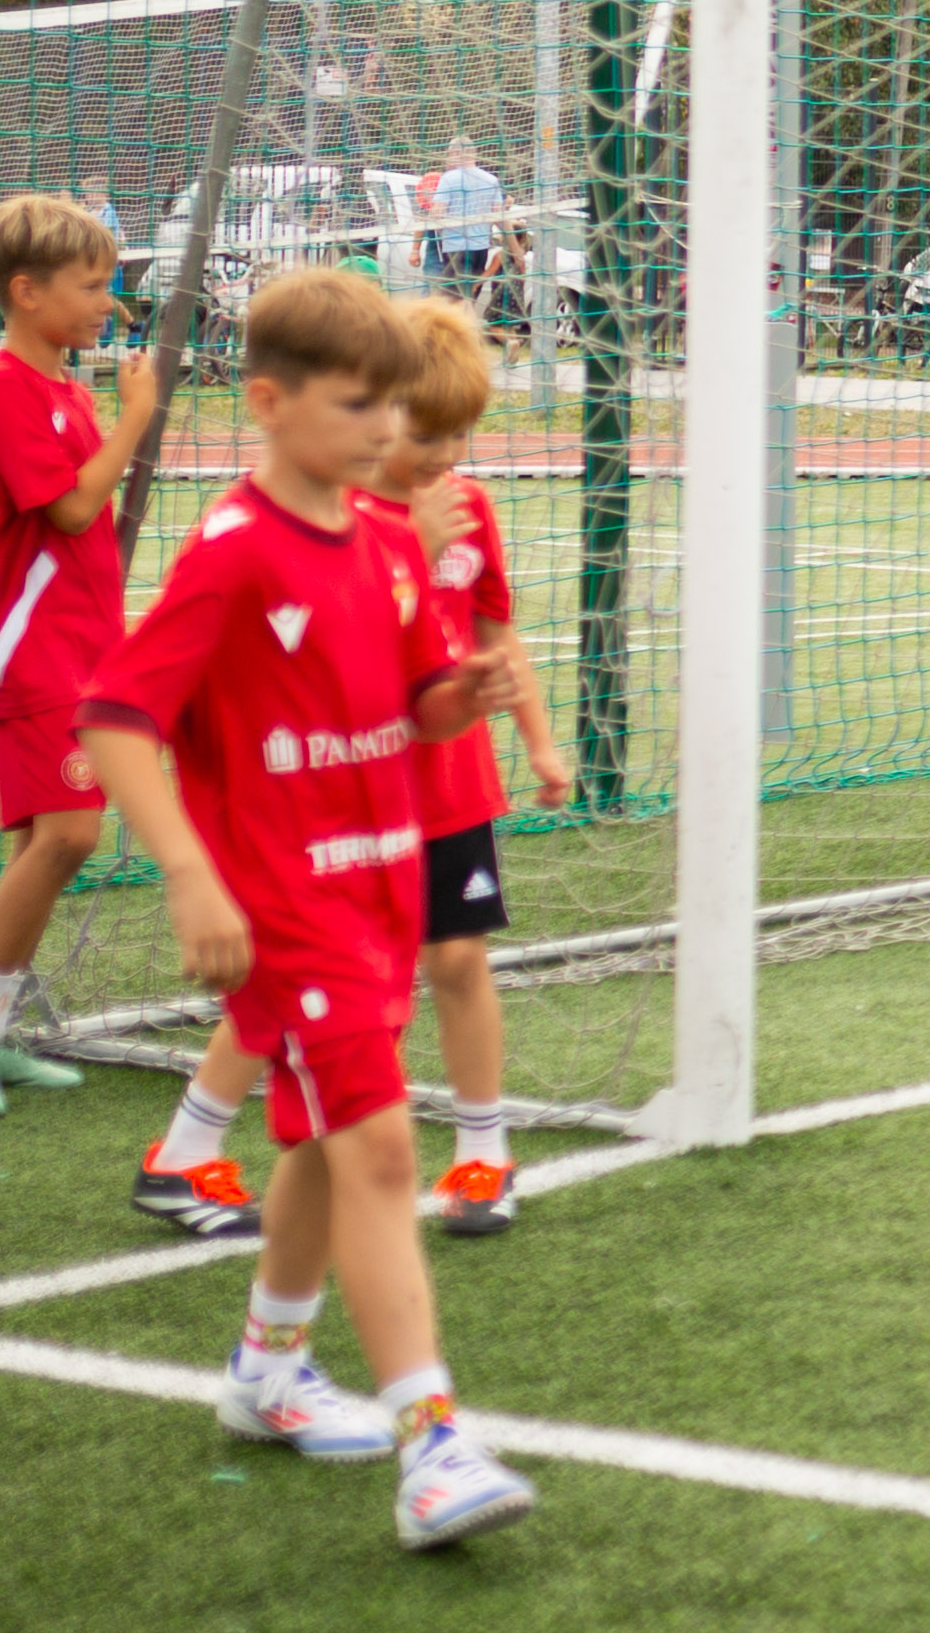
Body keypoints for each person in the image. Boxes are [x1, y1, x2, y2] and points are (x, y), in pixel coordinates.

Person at [75, 266, 535, 1549]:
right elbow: (116, 717)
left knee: (325, 1146)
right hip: (287, 908)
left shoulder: (385, 542)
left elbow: (413, 703)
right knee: (381, 1151)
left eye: (394, 407)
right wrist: (190, 871)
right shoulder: (232, 551)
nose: (386, 432)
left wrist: (466, 695)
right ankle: (431, 1443)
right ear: (269, 403)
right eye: (357, 406)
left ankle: (268, 1369)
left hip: (382, 887)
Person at [0, 193, 164, 1122]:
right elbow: (69, 509)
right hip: (31, 647)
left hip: (83, 641)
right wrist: (136, 420)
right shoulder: (0, 388)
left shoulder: (66, 387)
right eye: (93, 285)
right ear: (26, 293)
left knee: (53, 838)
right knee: (69, 834)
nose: (110, 303)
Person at [389, 296, 573, 1231]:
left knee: (459, 958)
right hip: (361, 783)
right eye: (426, 434)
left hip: (454, 781)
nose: (446, 456)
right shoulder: (345, 514)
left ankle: (482, 1153)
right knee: (363, 984)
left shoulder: (471, 507)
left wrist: (539, 738)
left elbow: (496, 634)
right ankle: (214, 1138)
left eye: (459, 435)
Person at [425, 135, 504, 299]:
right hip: (481, 248)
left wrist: (430, 204)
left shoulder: (448, 179)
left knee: (453, 300)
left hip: (455, 248)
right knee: (470, 296)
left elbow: (437, 213)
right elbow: (499, 217)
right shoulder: (492, 180)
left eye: (449, 153)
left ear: (456, 153)